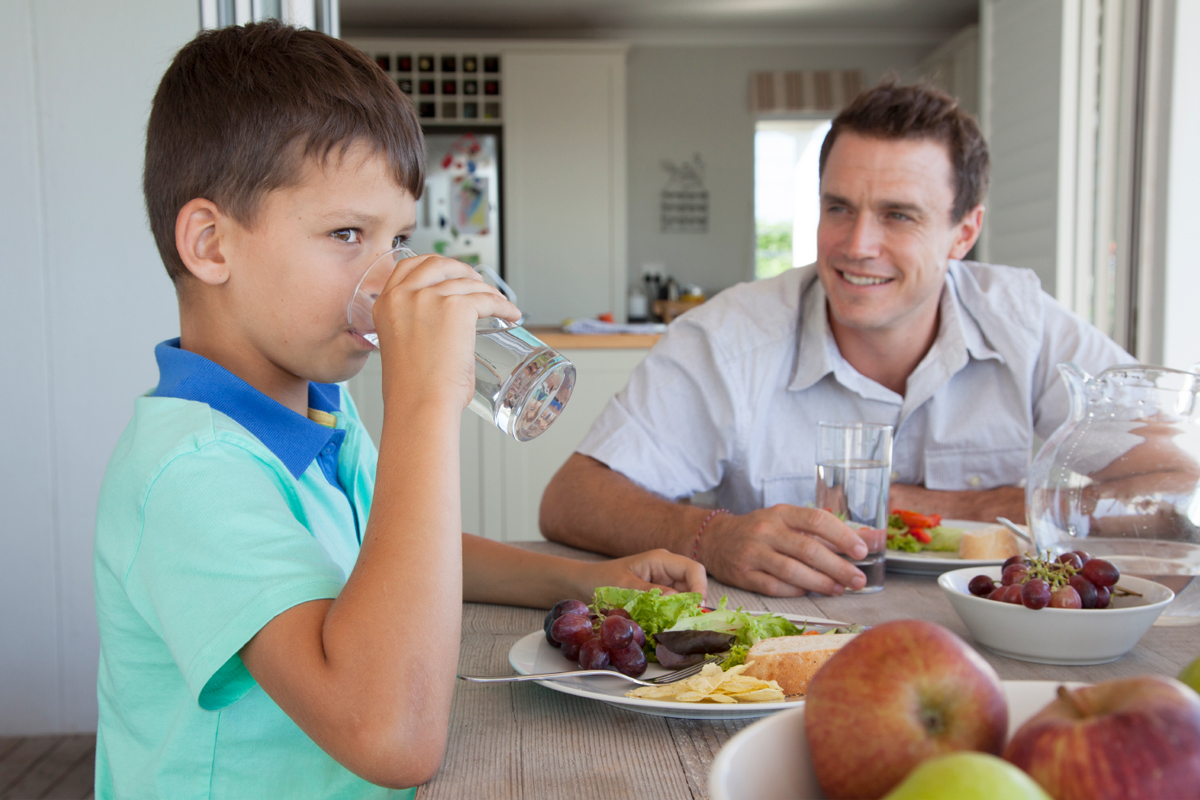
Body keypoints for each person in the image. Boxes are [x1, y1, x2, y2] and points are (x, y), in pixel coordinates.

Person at [93, 22, 705, 800]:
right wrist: (422, 403)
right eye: (348, 234)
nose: (388, 278)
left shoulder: (321, 404)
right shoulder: (191, 472)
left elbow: (396, 551)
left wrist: (592, 583)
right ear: (211, 244)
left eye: (399, 239)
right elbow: (391, 738)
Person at [540, 80, 1132, 598]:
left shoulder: (1024, 321)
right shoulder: (728, 337)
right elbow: (571, 499)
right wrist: (711, 536)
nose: (857, 245)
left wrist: (936, 508)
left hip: (997, 643)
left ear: (964, 232)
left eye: (899, 215)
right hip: (782, 657)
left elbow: (1175, 480)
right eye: (839, 207)